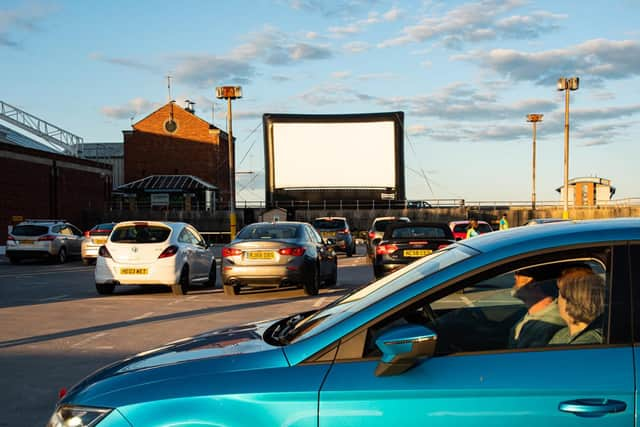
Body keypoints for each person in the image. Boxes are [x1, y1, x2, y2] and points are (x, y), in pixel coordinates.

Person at [508, 267, 565, 348]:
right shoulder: (531, 314)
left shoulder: (551, 323)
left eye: (520, 272)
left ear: (534, 283)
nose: (515, 276)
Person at [548, 270, 605, 345]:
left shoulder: (588, 343)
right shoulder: (562, 334)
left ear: (571, 301)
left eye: (559, 295)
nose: (556, 300)